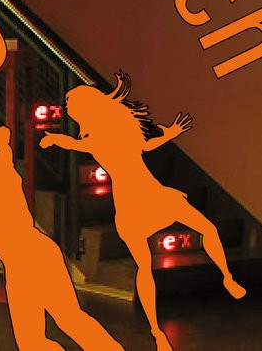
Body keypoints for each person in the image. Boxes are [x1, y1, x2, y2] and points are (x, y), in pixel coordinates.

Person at [41, 72, 246, 351]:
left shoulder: (109, 133)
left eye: (72, 106)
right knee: (151, 262)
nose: (70, 111)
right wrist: (56, 139)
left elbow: (141, 145)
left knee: (200, 232)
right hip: (137, 201)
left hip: (147, 196)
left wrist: (169, 134)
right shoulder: (104, 135)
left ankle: (226, 279)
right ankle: (158, 330)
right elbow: (80, 144)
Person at [0, 122, 122, 350]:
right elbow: (4, 156)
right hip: (39, 250)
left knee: (38, 335)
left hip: (23, 260)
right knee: (64, 321)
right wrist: (2, 144)